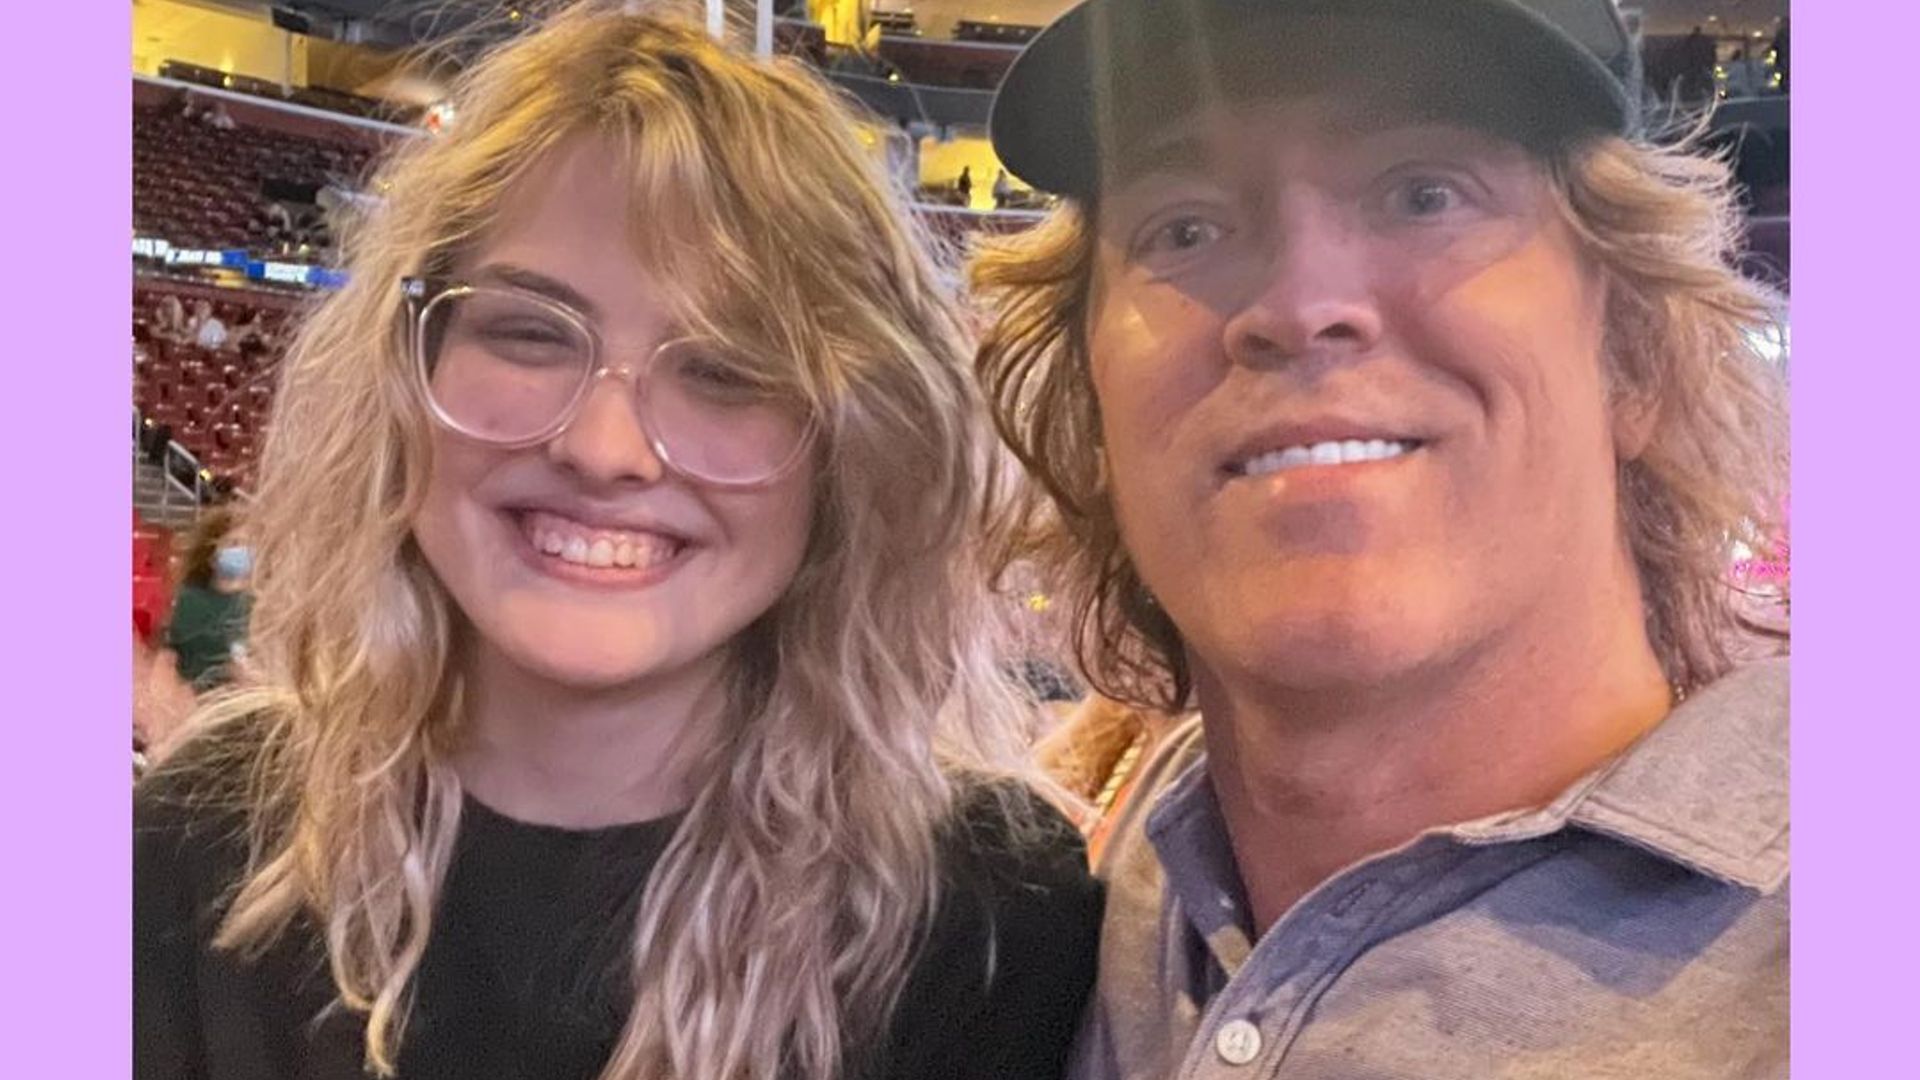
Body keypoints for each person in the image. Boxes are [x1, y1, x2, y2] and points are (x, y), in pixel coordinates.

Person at [134, 5, 1099, 1080]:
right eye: (530, 333)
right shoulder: (202, 838)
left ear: (849, 448)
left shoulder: (996, 916)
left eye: (728, 369)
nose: (605, 447)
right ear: (410, 370)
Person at [976, 0, 1789, 1077]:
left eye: (1425, 193)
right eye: (1184, 227)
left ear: (1631, 351)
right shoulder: (1053, 914)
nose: (1300, 304)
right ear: (1092, 395)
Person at [164, 506, 252, 691]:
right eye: (234, 543)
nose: (244, 550)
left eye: (249, 544)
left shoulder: (262, 606)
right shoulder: (188, 602)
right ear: (212, 553)